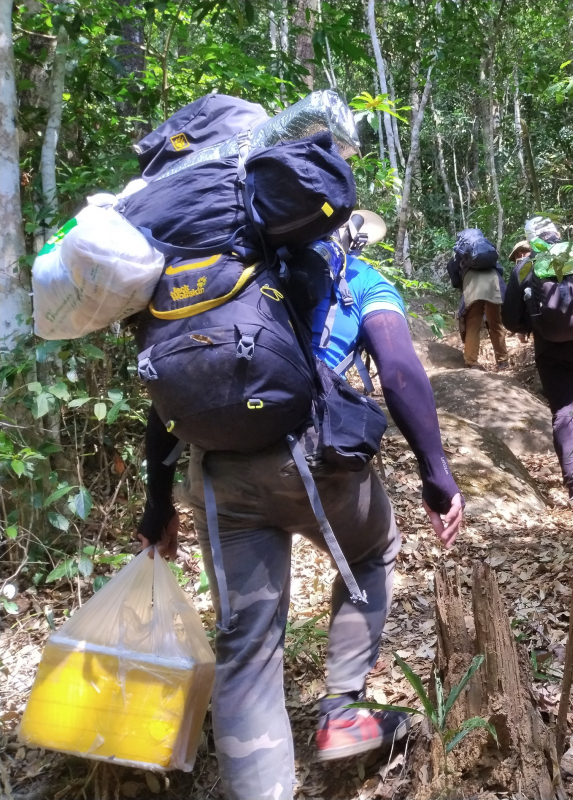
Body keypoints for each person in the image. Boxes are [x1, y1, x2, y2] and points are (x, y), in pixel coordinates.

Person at [136, 212, 464, 800]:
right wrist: (436, 473)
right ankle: (341, 709)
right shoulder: (357, 278)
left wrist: (157, 503)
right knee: (373, 549)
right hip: (317, 462)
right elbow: (399, 370)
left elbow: (167, 396)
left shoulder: (219, 283)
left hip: (219, 473)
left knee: (247, 640)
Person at [502, 217, 573, 512]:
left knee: (564, 411)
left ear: (532, 240)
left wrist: (535, 324)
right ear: (558, 235)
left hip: (551, 347)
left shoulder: (523, 267)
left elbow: (510, 319)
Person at [446, 228, 509, 370]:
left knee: (473, 324)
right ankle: (503, 361)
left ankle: (471, 361)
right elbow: (499, 269)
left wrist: (460, 284)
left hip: (473, 284)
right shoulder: (487, 251)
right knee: (496, 323)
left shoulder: (460, 253)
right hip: (492, 283)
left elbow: (452, 271)